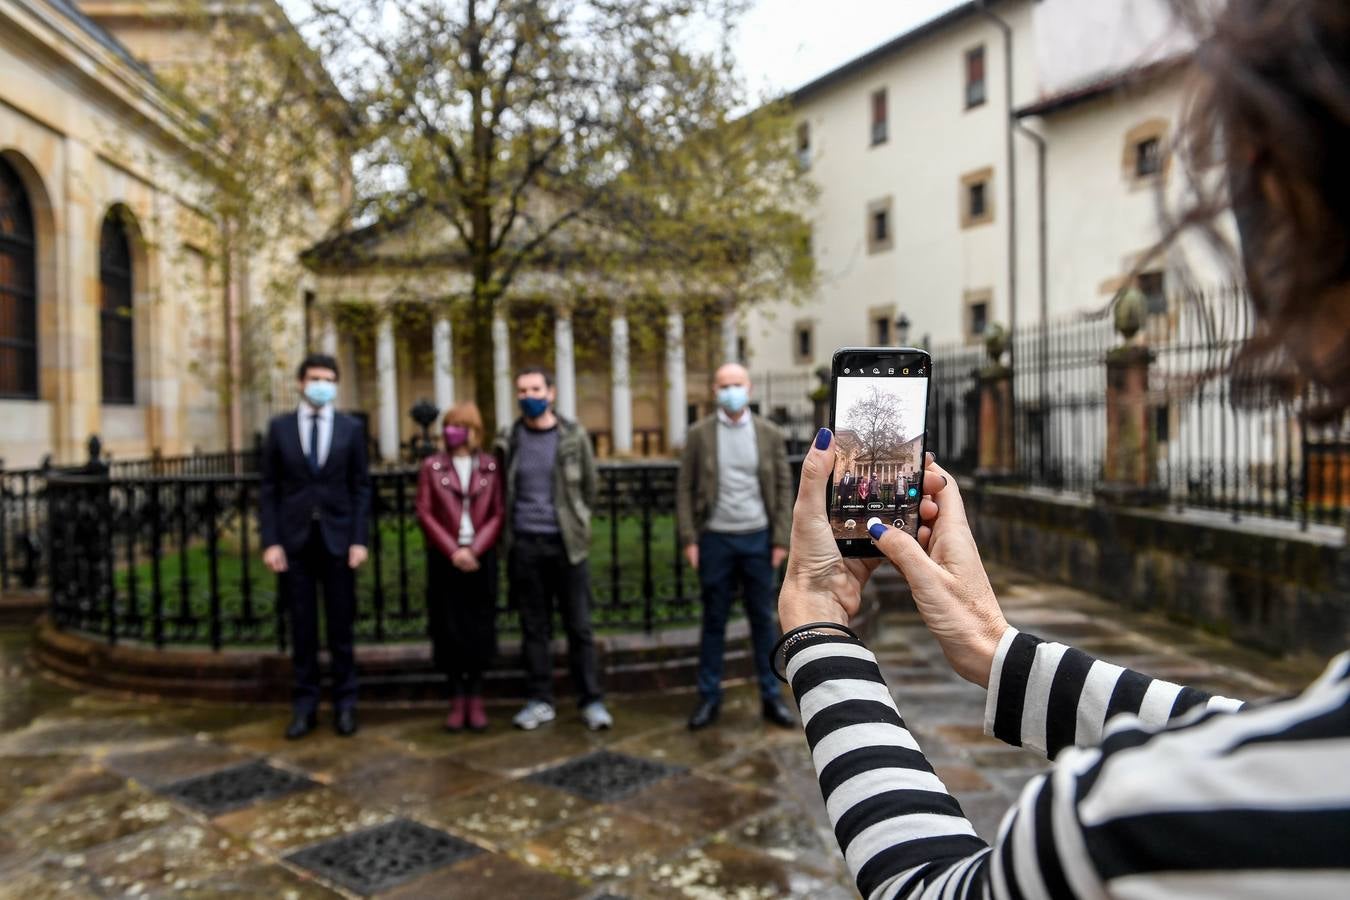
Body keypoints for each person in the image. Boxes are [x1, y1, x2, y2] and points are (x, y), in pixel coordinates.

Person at [776, 1, 1350, 895]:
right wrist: (992, 648)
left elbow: (927, 887)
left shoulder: (1140, 823)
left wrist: (816, 631)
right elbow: (1235, 725)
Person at [676, 363, 795, 730]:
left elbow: (782, 487)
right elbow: (684, 488)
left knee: (763, 620)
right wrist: (689, 539)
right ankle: (709, 698)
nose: (731, 391)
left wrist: (780, 538)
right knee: (714, 620)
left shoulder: (769, 434)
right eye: (724, 385)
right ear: (714, 390)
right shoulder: (699, 435)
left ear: (750, 388)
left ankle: (770, 697)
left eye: (737, 384)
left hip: (758, 538)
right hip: (715, 539)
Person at [259, 353, 371, 740]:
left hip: (339, 542)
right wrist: (271, 541)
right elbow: (269, 489)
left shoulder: (351, 429)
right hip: (295, 543)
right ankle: (305, 706)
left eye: (328, 378)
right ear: (300, 383)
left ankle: (345, 704)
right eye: (314, 378)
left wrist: (359, 538)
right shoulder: (280, 429)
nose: (321, 384)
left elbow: (361, 488)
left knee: (342, 628)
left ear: (336, 384)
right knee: (303, 630)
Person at [496, 367, 612, 731]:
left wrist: (576, 523)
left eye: (534, 388)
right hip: (524, 544)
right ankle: (540, 700)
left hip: (566, 546)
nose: (527, 395)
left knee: (579, 626)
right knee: (534, 627)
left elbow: (590, 488)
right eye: (521, 389)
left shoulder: (573, 436)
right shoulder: (508, 438)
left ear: (551, 392)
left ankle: (591, 700)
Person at [415, 402, 504, 732]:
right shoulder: (432, 466)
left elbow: (498, 512)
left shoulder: (490, 467)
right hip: (445, 559)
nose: (451, 430)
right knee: (448, 626)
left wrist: (475, 548)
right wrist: (454, 550)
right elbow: (424, 512)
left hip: (481, 558)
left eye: (458, 425)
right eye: (448, 425)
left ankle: (476, 694)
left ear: (473, 430)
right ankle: (456, 695)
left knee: (478, 625)